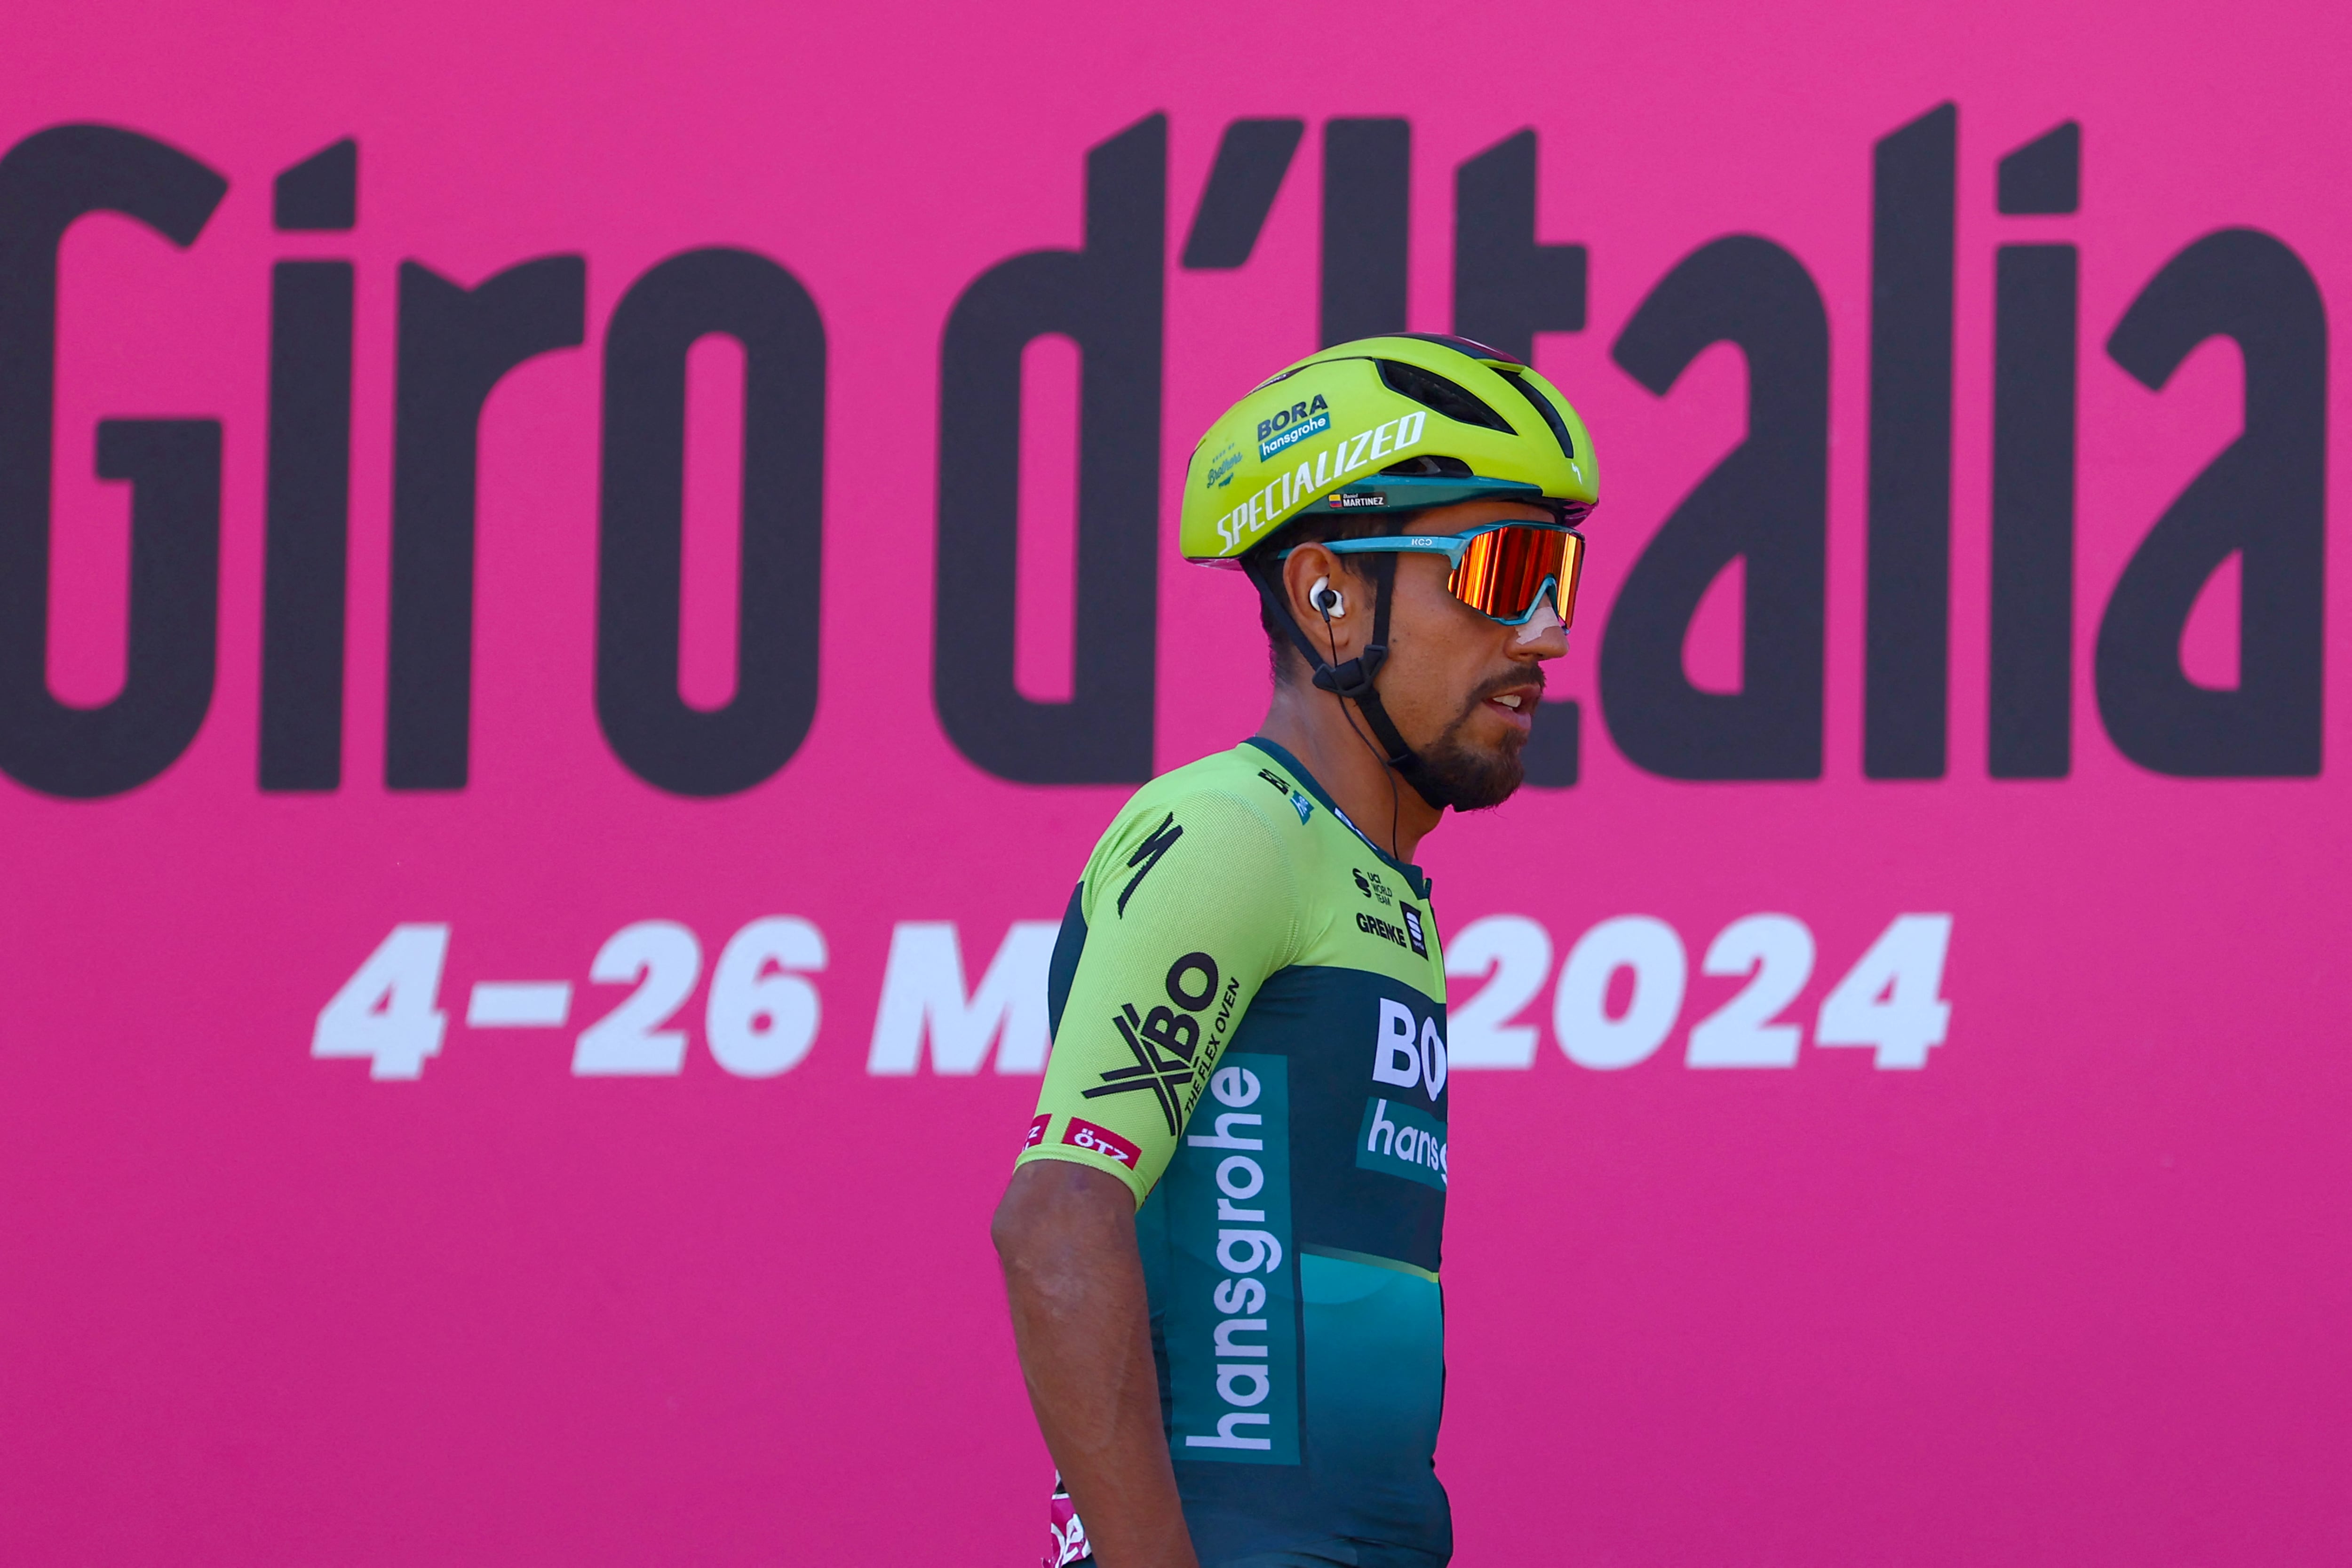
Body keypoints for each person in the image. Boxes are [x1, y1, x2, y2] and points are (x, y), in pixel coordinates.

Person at [992, 334, 1599, 1568]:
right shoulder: (1232, 833)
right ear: (1328, 594)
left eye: (1560, 575)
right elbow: (1055, 1219)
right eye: (1502, 571)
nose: (1544, 633)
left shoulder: (1368, 880)